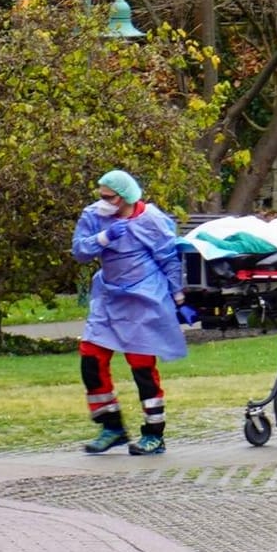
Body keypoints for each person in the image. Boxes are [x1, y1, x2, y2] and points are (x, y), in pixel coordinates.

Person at [70, 169, 191, 456]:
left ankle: (154, 434)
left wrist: (179, 297)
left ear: (124, 197)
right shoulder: (94, 216)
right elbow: (79, 251)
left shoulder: (152, 220)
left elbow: (168, 258)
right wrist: (103, 238)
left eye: (108, 197)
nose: (102, 201)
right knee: (91, 358)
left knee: (142, 367)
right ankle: (111, 426)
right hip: (109, 297)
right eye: (100, 195)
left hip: (143, 299)